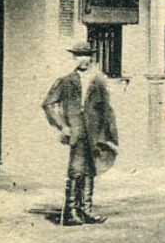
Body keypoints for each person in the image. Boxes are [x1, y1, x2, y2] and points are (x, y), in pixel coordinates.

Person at [41, 40, 119, 226]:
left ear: (91, 57)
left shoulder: (98, 80)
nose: (83, 60)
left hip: (94, 132)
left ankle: (86, 210)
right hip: (76, 131)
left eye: (87, 55)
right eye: (79, 55)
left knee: (91, 168)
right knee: (76, 170)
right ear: (73, 58)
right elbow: (48, 104)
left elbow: (107, 109)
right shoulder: (66, 80)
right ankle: (71, 211)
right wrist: (62, 126)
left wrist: (109, 134)